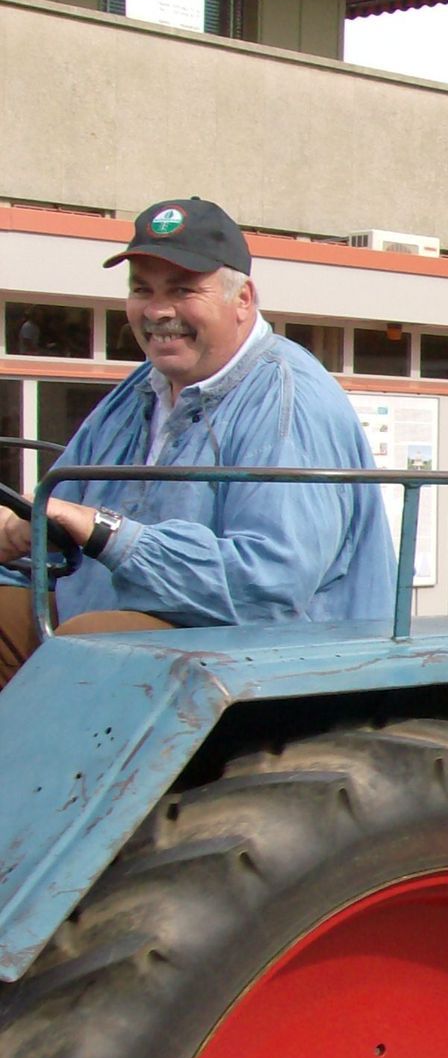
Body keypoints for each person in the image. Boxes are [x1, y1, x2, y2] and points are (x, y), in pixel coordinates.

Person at [0, 196, 396, 691]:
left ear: (243, 299)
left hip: (271, 650)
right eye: (142, 289)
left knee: (92, 648)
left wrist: (107, 533)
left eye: (184, 290)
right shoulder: (139, 390)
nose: (158, 310)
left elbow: (272, 583)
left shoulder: (285, 399)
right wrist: (25, 532)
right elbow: (64, 516)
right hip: (132, 624)